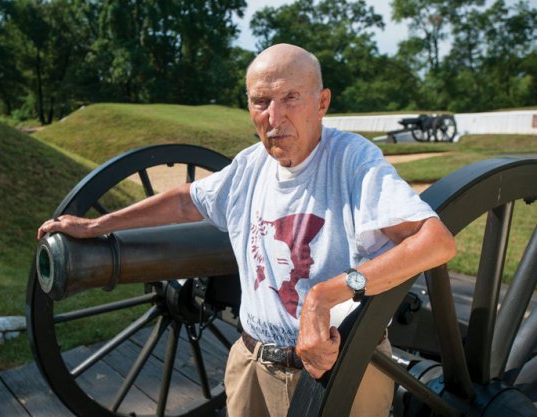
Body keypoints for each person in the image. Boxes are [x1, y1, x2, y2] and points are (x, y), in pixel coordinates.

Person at [38, 43, 456, 417]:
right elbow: (187, 200)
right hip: (252, 362)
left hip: (339, 369)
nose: (275, 117)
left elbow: (435, 242)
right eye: (261, 102)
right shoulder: (251, 165)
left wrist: (326, 295)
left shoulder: (352, 161)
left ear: (321, 102)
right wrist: (98, 225)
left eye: (290, 97)